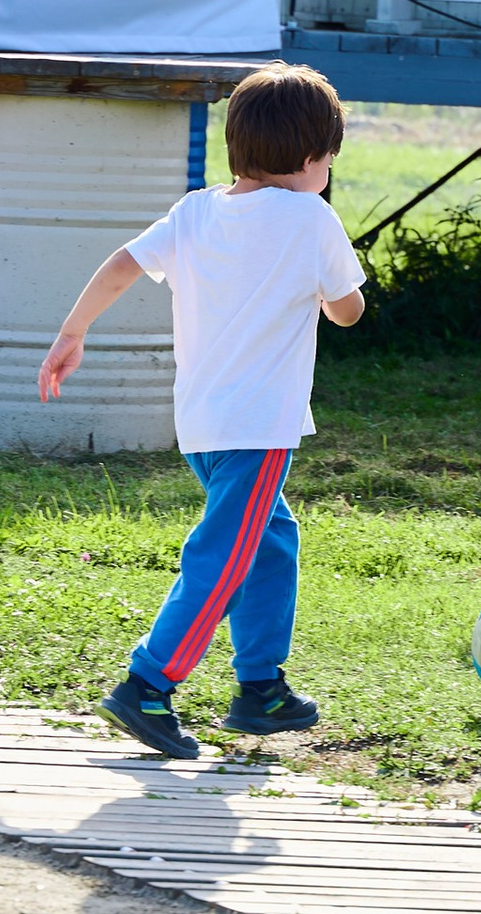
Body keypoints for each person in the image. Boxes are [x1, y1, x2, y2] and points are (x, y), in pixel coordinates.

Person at [38, 61, 364, 759]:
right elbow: (348, 311)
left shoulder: (196, 211)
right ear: (313, 158)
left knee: (268, 540)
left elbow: (124, 264)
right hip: (258, 427)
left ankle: (260, 689)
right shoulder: (312, 218)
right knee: (222, 556)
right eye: (330, 159)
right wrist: (336, 295)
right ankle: (148, 684)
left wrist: (73, 331)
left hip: (203, 424)